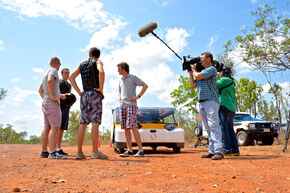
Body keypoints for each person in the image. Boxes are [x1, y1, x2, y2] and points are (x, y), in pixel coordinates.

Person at [69, 47, 108, 160]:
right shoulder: (98, 62)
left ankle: (79, 152)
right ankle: (95, 152)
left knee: (83, 123)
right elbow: (101, 72)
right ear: (98, 55)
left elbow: (71, 78)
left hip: (84, 94)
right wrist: (101, 89)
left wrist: (79, 91)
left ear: (89, 54)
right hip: (95, 94)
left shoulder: (82, 65)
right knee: (95, 123)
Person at [188, 52, 224, 160]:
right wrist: (190, 72)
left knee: (214, 126)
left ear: (209, 59)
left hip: (211, 101)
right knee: (208, 129)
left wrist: (194, 70)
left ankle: (219, 151)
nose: (200, 60)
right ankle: (212, 151)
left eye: (202, 58)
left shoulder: (212, 69)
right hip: (202, 102)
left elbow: (198, 76)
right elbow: (192, 85)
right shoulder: (202, 72)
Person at [117, 62, 148, 157]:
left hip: (131, 105)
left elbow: (145, 85)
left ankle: (140, 150)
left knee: (133, 126)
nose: (117, 70)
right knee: (126, 128)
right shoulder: (120, 80)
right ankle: (129, 150)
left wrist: (137, 96)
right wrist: (119, 97)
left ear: (123, 68)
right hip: (123, 106)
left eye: (118, 68)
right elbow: (119, 92)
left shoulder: (133, 77)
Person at [39, 57, 67, 159]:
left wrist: (46, 98)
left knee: (47, 127)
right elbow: (51, 81)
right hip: (51, 103)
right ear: (58, 63)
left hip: (45, 103)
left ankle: (44, 152)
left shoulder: (45, 73)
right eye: (60, 64)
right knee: (55, 127)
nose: (59, 66)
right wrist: (53, 97)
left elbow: (40, 90)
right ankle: (52, 152)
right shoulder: (53, 70)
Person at [217, 66, 240, 156]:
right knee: (230, 129)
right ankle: (235, 150)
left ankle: (226, 150)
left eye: (220, 72)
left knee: (223, 128)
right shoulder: (231, 81)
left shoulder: (224, 80)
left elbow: (213, 85)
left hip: (224, 106)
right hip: (231, 108)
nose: (219, 73)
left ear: (224, 72)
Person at [55, 68, 71, 156]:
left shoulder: (69, 85)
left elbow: (69, 96)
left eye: (68, 73)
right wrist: (60, 95)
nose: (67, 74)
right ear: (62, 74)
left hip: (66, 108)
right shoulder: (59, 83)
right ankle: (54, 148)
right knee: (56, 128)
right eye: (65, 73)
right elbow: (54, 93)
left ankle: (58, 147)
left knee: (62, 129)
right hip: (59, 107)